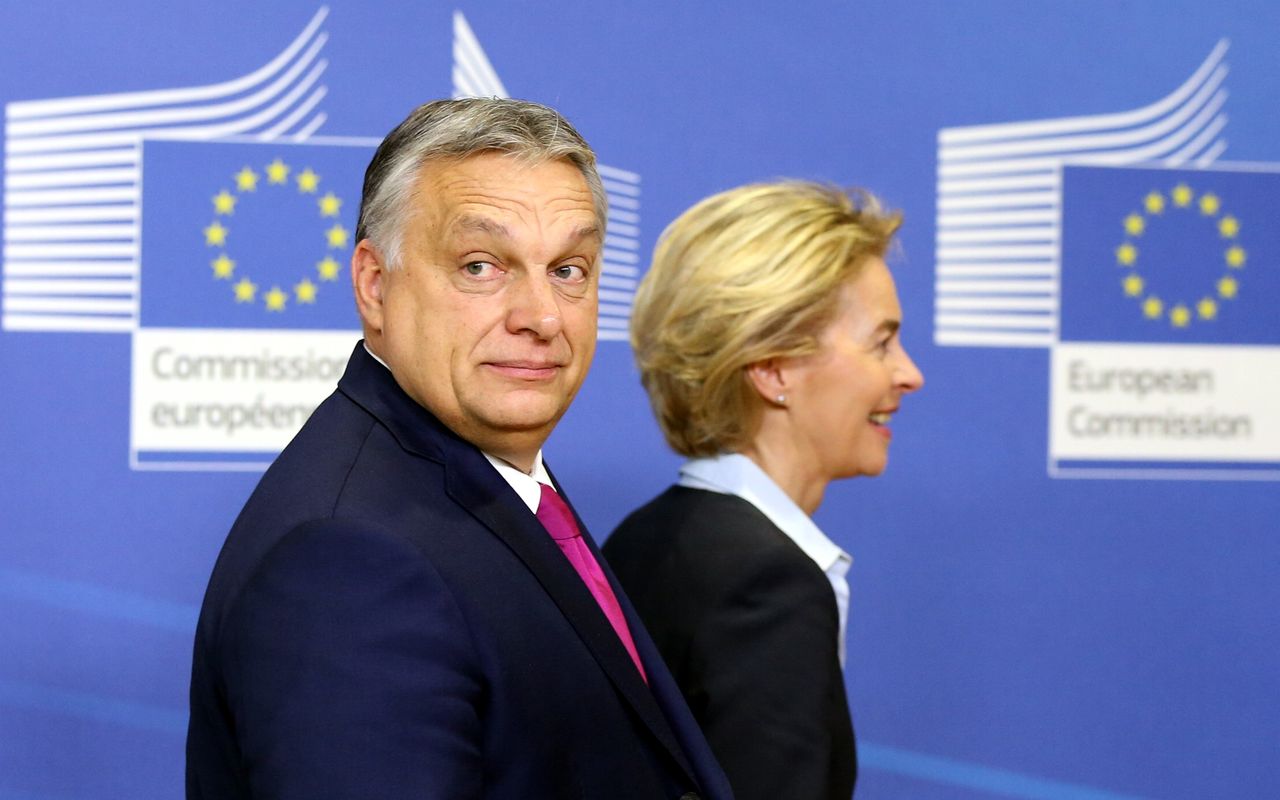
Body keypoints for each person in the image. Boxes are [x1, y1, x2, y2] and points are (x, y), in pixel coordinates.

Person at [186, 98, 731, 800]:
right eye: (481, 266)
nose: (540, 317)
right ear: (375, 287)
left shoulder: (490, 474)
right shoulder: (346, 558)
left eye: (568, 269)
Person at [604, 181, 925, 800]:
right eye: (881, 343)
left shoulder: (642, 539)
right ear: (774, 368)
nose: (909, 374)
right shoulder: (766, 588)